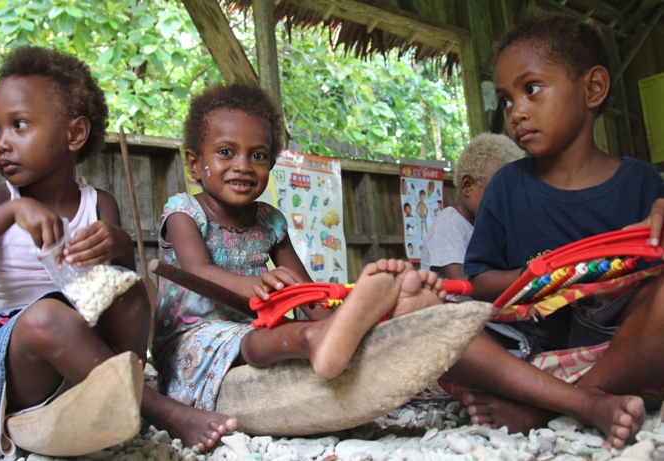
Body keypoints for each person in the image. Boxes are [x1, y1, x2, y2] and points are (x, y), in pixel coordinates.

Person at [0, 46, 238, 455]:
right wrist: (13, 211)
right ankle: (157, 409)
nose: (2, 143)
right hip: (4, 366)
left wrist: (118, 244)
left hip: (79, 360)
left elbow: (122, 285)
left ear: (74, 133)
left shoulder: (98, 204)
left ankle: (104, 402)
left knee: (130, 290)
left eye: (18, 125)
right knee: (46, 317)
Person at [153, 83, 447, 416]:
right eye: (225, 152)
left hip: (255, 333)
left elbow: (305, 293)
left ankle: (373, 331)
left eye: (258, 155)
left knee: (284, 331)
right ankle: (315, 339)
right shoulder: (184, 212)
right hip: (191, 344)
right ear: (194, 163)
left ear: (271, 163)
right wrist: (256, 286)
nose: (244, 165)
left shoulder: (269, 220)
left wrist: (344, 319)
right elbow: (197, 272)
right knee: (266, 338)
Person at [442, 12, 664, 449]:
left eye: (532, 89)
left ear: (592, 89)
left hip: (617, 347)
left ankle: (558, 404)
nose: (516, 113)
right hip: (526, 349)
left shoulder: (641, 182)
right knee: (433, 320)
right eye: (506, 100)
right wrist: (552, 274)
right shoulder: (506, 185)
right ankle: (589, 402)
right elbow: (479, 283)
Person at [420, 133, 523, 280]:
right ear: (468, 185)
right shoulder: (449, 223)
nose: (504, 205)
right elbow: (463, 282)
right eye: (498, 195)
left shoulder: (484, 227)